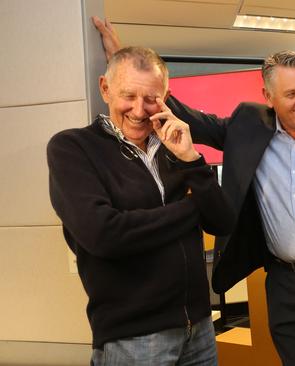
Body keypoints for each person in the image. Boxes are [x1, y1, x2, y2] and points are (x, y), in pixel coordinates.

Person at [93, 18, 295, 366]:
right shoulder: (248, 126)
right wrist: (123, 62)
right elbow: (188, 116)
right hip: (286, 285)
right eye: (291, 94)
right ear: (267, 97)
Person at [47, 46, 234, 365]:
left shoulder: (175, 146)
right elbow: (105, 235)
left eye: (151, 99)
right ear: (105, 88)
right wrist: (192, 210)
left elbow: (222, 221)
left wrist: (191, 159)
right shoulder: (73, 148)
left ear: (166, 97)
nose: (139, 109)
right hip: (134, 339)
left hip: (200, 328)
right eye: (128, 96)